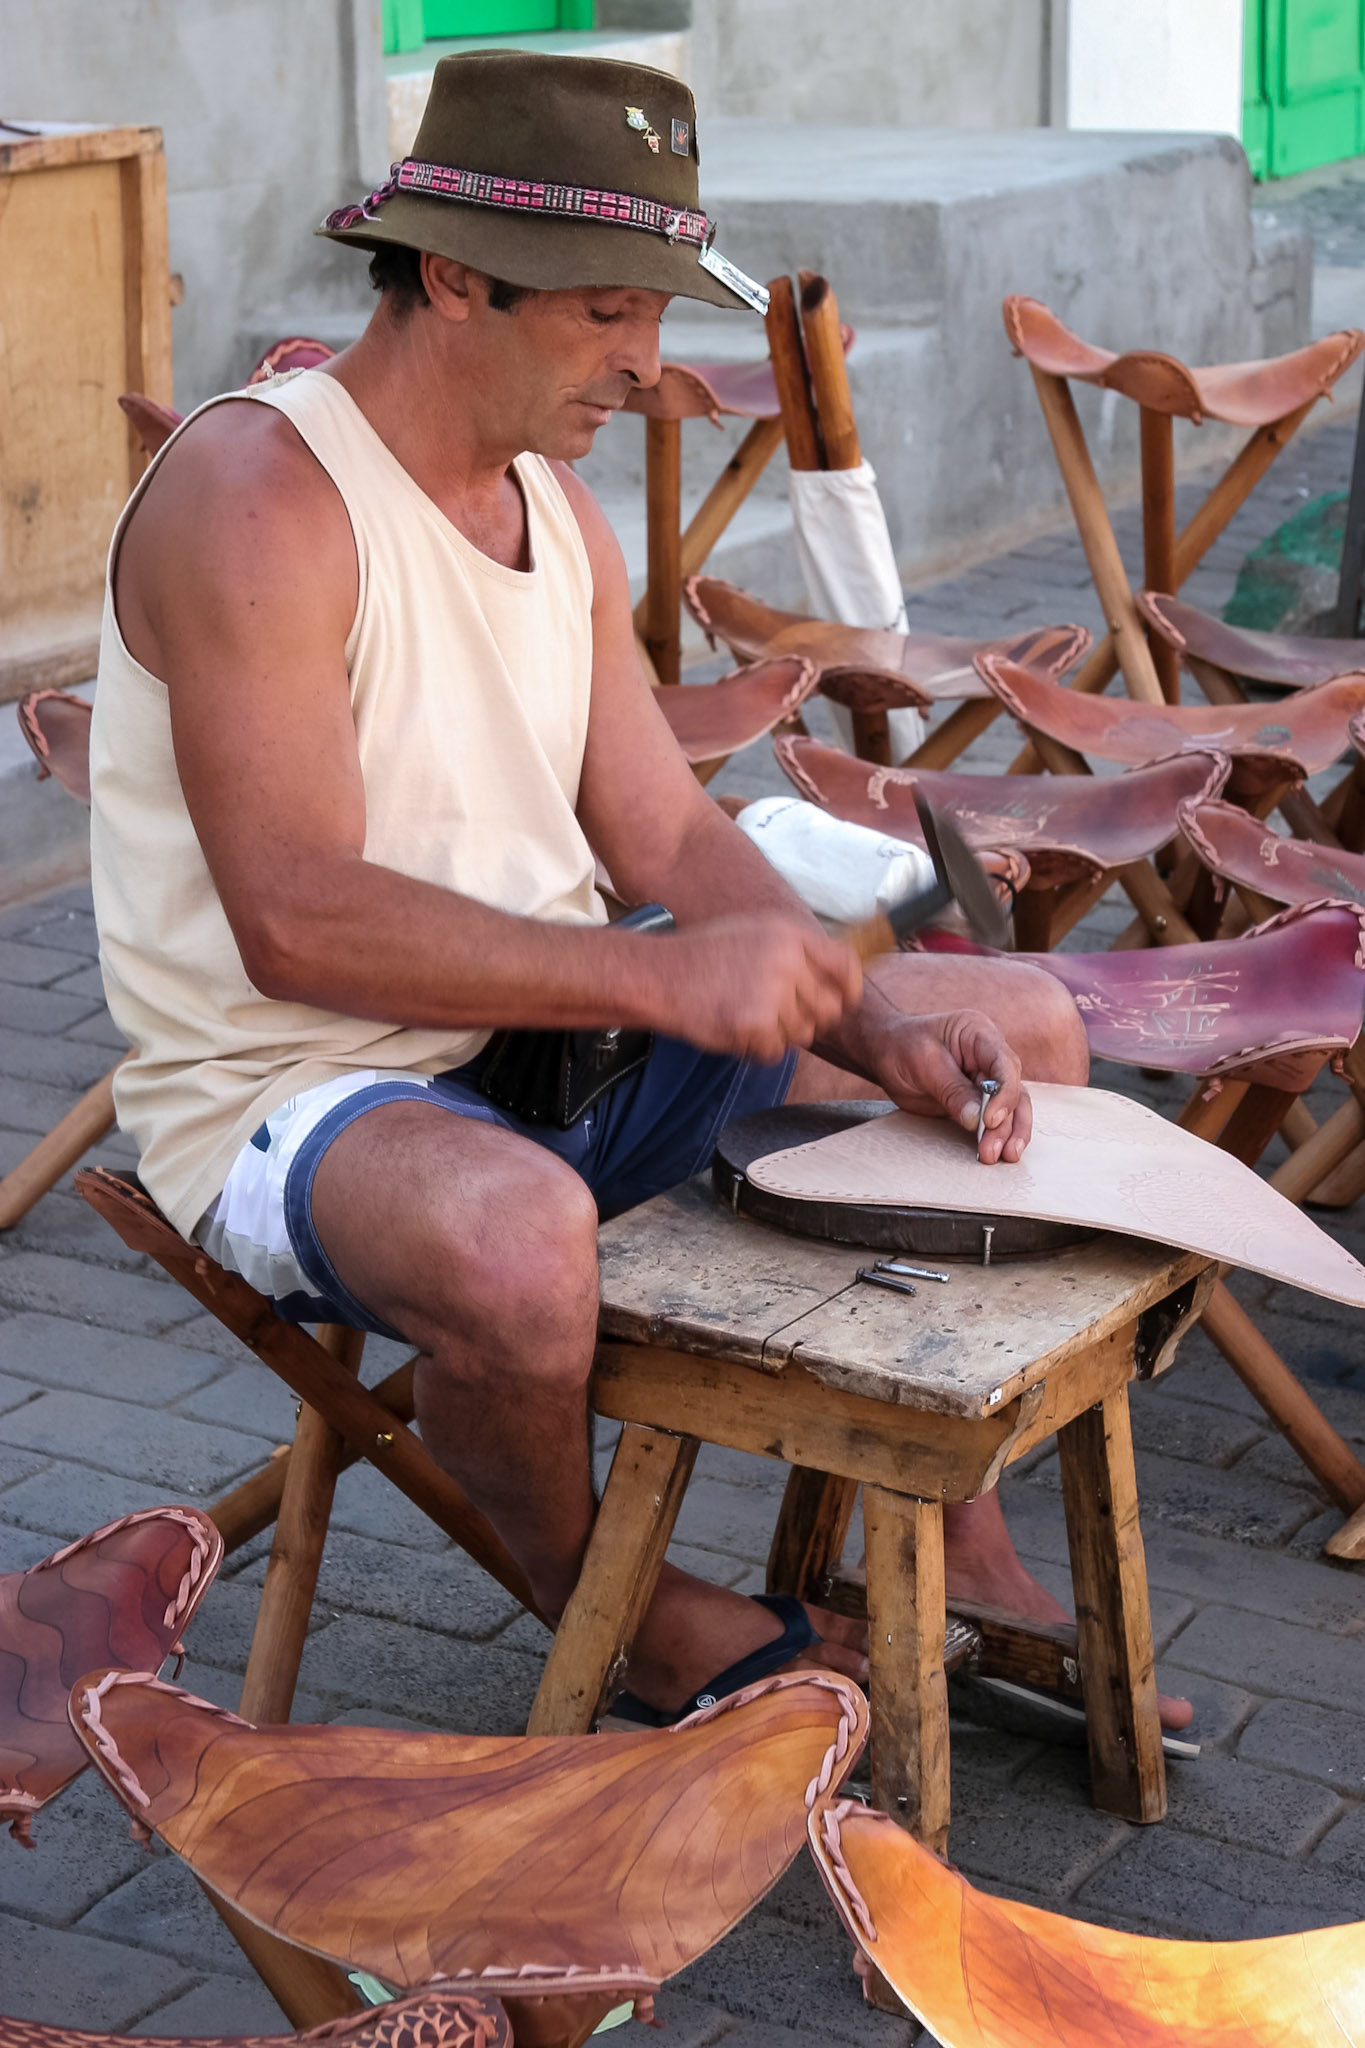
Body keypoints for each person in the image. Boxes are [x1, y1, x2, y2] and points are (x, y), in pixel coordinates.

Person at [89, 49, 1188, 1730]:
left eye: (656, 311)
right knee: (521, 1238)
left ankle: (943, 1523)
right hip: (301, 1093)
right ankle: (595, 1591)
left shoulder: (552, 511)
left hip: (553, 1048)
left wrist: (855, 1001)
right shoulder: (262, 496)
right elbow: (294, 919)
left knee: (1014, 1023)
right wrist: (663, 981)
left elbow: (662, 835)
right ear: (453, 275)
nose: (647, 363)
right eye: (606, 311)